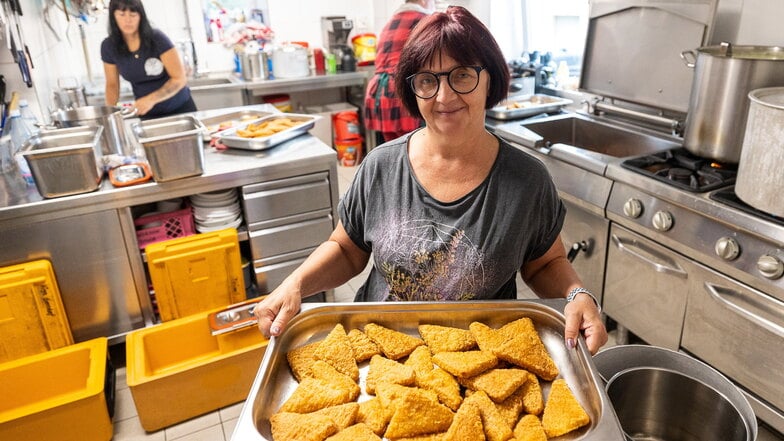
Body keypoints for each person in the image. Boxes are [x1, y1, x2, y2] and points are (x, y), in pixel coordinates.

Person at [254, 6, 608, 354]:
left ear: (490, 80)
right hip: (380, 350)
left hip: (477, 359)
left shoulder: (527, 181)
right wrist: (295, 283)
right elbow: (347, 249)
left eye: (462, 75)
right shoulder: (381, 167)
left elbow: (545, 262)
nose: (444, 96)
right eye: (427, 80)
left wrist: (577, 294)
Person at [101, 0, 196, 118]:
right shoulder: (109, 47)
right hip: (147, 115)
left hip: (180, 109)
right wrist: (109, 116)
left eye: (133, 14)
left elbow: (179, 79)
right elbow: (112, 85)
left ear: (141, 16)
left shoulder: (157, 39)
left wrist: (150, 99)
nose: (128, 20)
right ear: (113, 16)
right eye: (121, 14)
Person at [363, 0, 435, 144]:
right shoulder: (424, 21)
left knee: (393, 151)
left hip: (380, 92)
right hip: (401, 91)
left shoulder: (390, 22)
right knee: (413, 149)